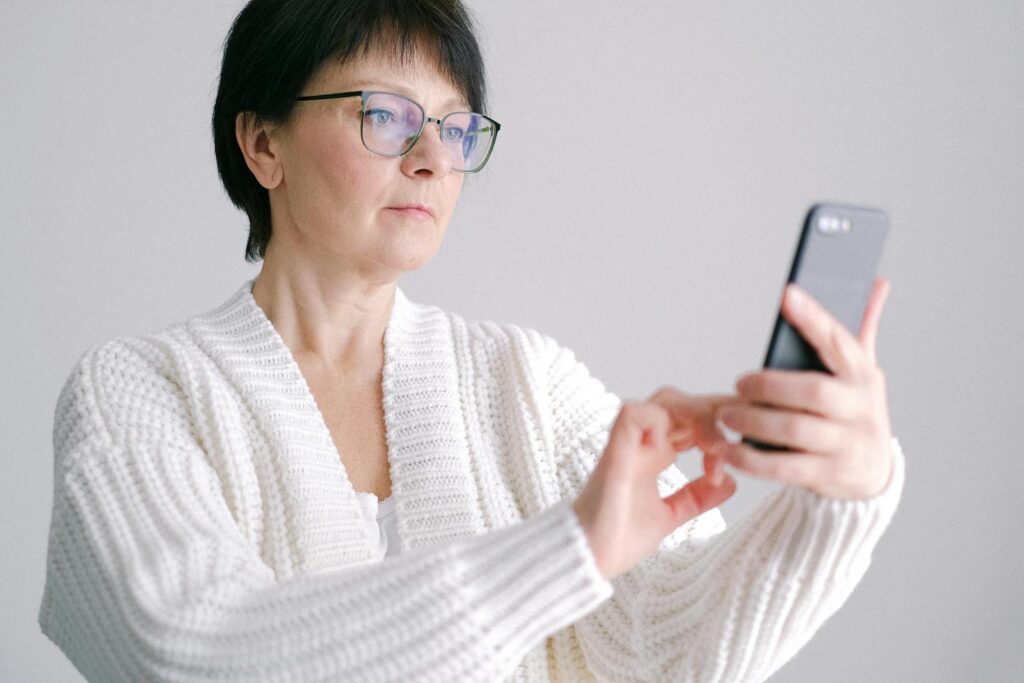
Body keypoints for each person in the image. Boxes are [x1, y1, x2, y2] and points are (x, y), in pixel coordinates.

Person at [38, 1, 905, 681]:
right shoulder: (137, 393)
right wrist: (570, 549)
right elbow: (195, 654)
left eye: (455, 127)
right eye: (385, 114)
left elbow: (670, 645)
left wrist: (845, 497)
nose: (432, 157)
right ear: (264, 142)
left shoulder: (523, 379)